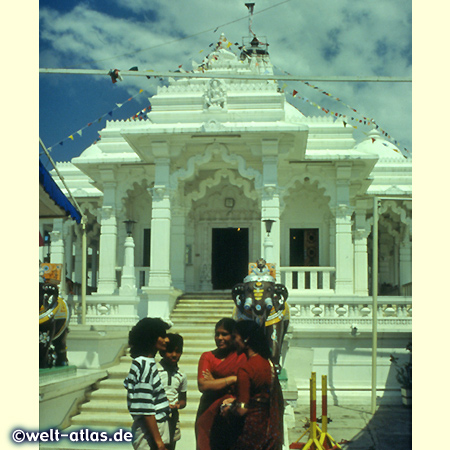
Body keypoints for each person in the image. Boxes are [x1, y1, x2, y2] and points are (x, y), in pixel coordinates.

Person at [218, 320, 284, 450]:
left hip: (250, 432)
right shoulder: (268, 364)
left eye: (235, 336)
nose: (233, 340)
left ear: (246, 339)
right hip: (269, 430)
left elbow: (242, 409)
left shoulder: (246, 369)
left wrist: (228, 409)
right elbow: (261, 397)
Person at [195, 318, 247, 450]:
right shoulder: (208, 356)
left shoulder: (243, 356)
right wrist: (232, 379)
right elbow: (203, 385)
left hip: (232, 412)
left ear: (234, 336)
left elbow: (246, 382)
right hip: (208, 411)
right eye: (217, 334)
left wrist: (215, 382)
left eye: (224, 334)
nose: (219, 338)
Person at [124, 318, 171, 450]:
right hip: (149, 430)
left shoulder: (146, 363)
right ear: (151, 338)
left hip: (153, 427)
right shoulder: (144, 365)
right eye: (162, 336)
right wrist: (159, 441)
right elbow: (146, 408)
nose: (166, 340)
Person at [157, 333, 188, 450]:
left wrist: (178, 405)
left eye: (178, 351)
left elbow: (183, 400)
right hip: (157, 418)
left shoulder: (181, 375)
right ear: (162, 352)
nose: (174, 355)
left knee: (171, 445)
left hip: (173, 418)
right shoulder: (155, 371)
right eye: (170, 351)